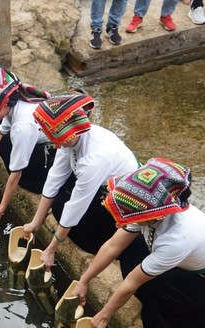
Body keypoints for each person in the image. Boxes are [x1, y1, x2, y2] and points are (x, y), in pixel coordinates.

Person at [73, 158, 205, 328]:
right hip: (192, 267)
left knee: (153, 287)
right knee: (132, 248)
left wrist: (104, 316)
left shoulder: (177, 237)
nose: (118, 222)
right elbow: (113, 246)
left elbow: (132, 281)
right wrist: (83, 281)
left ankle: (202, 325)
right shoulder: (151, 209)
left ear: (150, 215)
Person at [23, 92, 145, 268]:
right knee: (59, 205)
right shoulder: (72, 138)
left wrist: (50, 250)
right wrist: (35, 223)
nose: (43, 132)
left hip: (125, 202)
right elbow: (54, 179)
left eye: (48, 130)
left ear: (65, 133)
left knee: (74, 224)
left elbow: (76, 206)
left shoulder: (94, 159)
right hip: (101, 188)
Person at [0, 67, 55, 224]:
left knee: (13, 156)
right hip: (38, 139)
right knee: (4, 143)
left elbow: (15, 175)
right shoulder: (15, 106)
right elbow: (0, 133)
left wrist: (1, 209)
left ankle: (37, 183)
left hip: (52, 152)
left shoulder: (23, 125)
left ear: (3, 103)